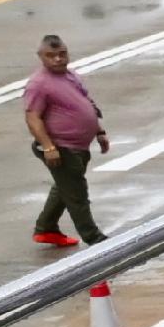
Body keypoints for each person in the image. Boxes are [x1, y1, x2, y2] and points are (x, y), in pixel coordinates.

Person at [22, 35, 109, 250]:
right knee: (77, 192)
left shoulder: (71, 76)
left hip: (79, 146)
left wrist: (99, 131)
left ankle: (46, 228)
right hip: (61, 148)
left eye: (62, 54)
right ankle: (95, 239)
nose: (58, 59)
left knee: (65, 186)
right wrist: (49, 147)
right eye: (51, 56)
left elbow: (87, 103)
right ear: (41, 57)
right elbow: (33, 117)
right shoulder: (38, 84)